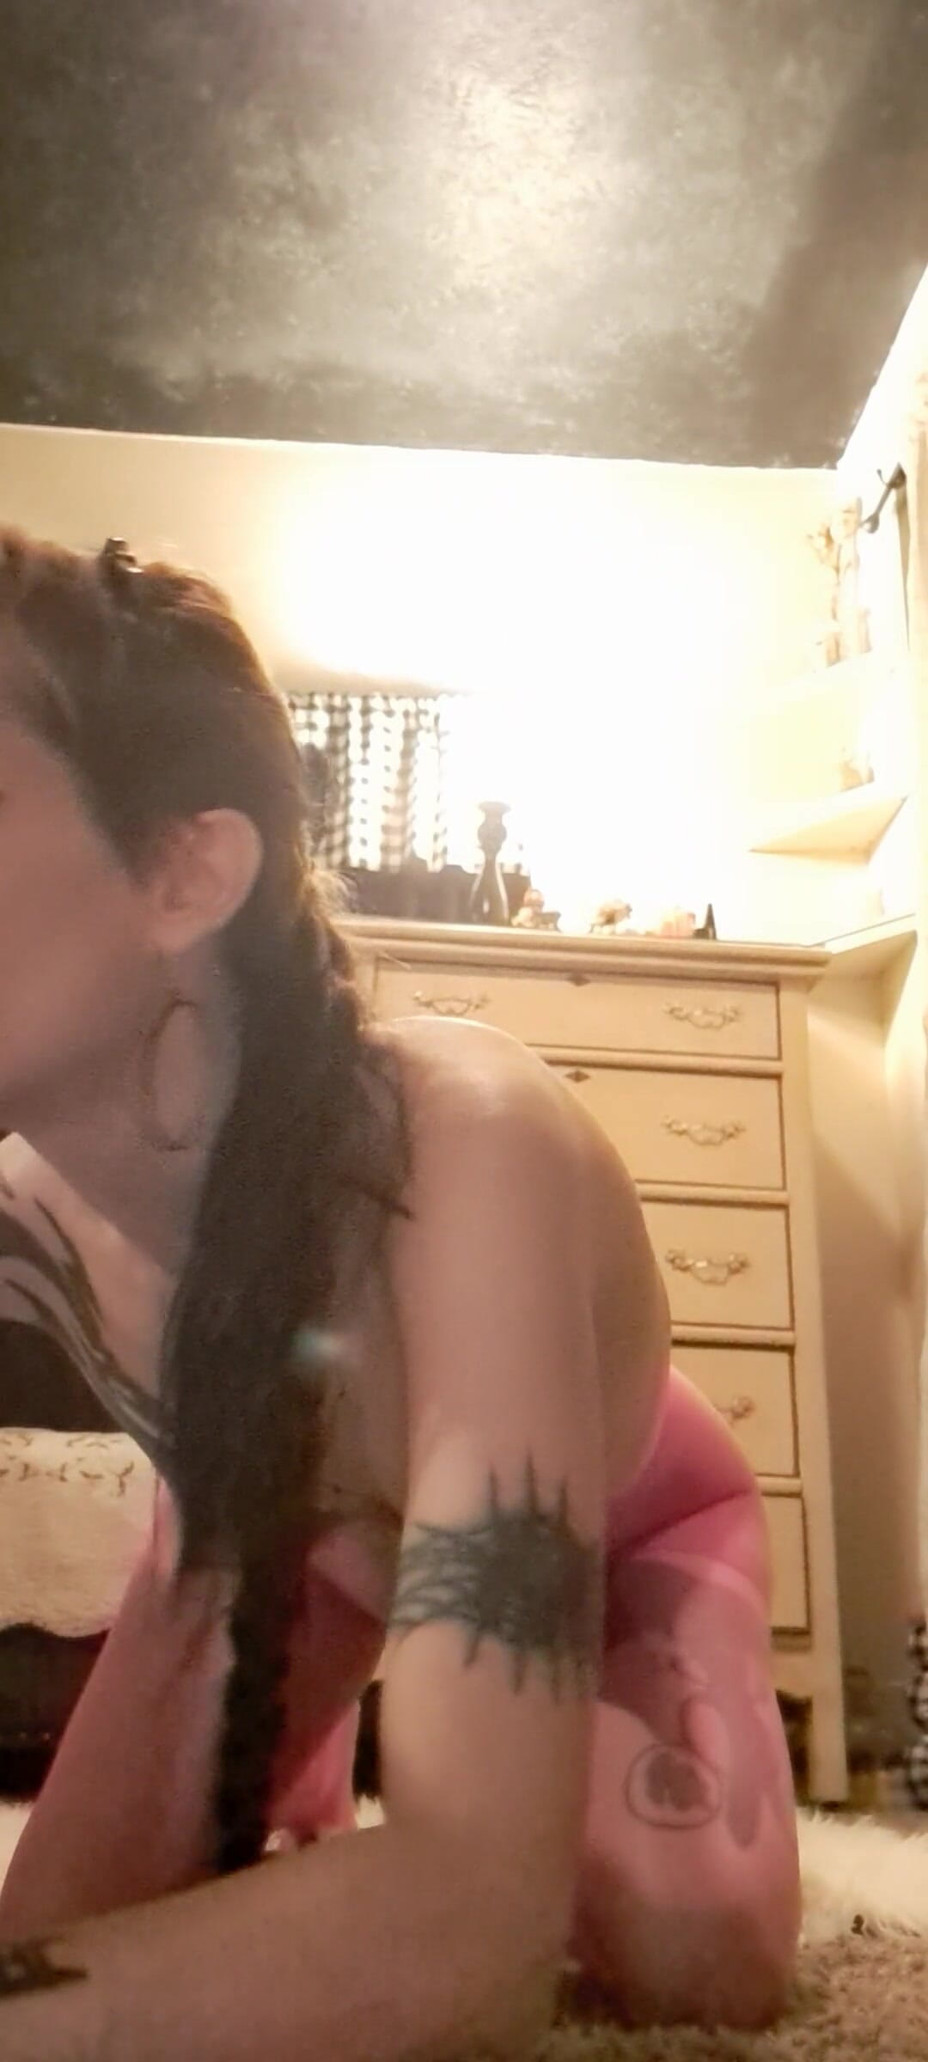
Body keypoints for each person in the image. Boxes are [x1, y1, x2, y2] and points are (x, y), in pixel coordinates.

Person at [0, 529, 799, 2060]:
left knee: (692, 1947)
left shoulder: (454, 1140)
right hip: (271, 1528)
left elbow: (473, 1939)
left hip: (626, 1506)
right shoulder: (32, 1209)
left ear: (184, 872)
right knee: (58, 1927)